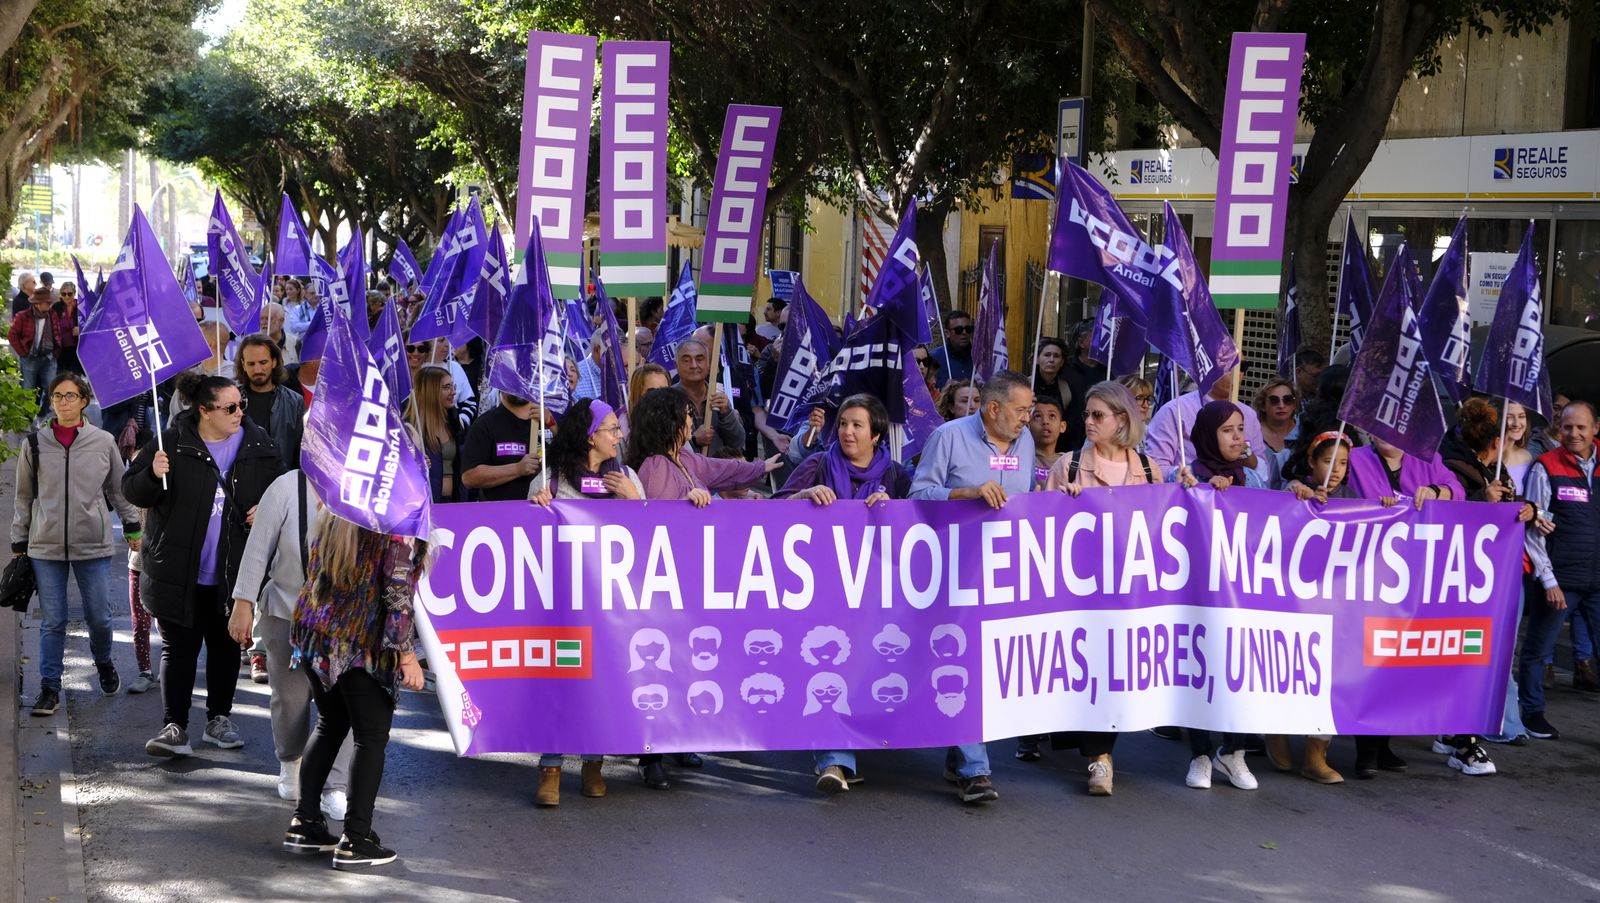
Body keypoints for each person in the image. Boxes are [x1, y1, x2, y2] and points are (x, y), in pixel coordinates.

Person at [123, 374, 285, 757]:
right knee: (178, 649)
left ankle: (218, 720)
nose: (239, 412)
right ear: (204, 411)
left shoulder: (258, 443)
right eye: (229, 407)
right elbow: (133, 490)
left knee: (225, 648)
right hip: (178, 568)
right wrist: (152, 473)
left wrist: (270, 506)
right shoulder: (171, 442)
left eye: (240, 404)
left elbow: (283, 487)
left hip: (233, 570)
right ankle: (174, 727)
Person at [627, 387, 781, 789]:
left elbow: (722, 470)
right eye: (687, 416)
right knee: (661, 667)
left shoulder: (685, 459)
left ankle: (678, 740)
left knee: (684, 665)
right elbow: (652, 523)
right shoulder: (656, 466)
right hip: (664, 586)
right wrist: (686, 504)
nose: (693, 422)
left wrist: (763, 468)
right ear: (670, 422)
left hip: (691, 581)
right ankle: (652, 756)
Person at [909, 370, 1035, 803]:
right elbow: (919, 494)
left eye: (1030, 410)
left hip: (1002, 575)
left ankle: (958, 751)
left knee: (981, 667)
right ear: (993, 408)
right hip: (953, 573)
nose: (1027, 419)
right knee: (962, 659)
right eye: (1021, 410)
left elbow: (1027, 499)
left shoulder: (1025, 441)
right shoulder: (948, 437)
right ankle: (975, 770)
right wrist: (968, 494)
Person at [771, 394, 906, 792]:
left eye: (857, 425)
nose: (846, 431)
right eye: (843, 423)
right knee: (832, 670)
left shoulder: (896, 474)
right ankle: (834, 762)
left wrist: (895, 507)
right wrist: (804, 497)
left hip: (880, 591)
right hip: (826, 589)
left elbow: (921, 519)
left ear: (876, 434)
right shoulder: (818, 464)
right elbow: (773, 508)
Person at [280, 516, 428, 869]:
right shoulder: (397, 519)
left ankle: (306, 822)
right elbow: (397, 593)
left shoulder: (335, 510)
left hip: (317, 633)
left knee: (330, 723)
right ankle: (357, 839)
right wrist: (407, 655)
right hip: (362, 642)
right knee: (370, 737)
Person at [527, 399, 644, 805]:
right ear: (590, 435)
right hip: (562, 604)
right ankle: (551, 766)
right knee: (558, 681)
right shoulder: (553, 478)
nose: (620, 435)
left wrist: (633, 500)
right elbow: (527, 541)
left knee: (601, 684)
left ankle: (593, 761)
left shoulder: (626, 477)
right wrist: (536, 507)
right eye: (612, 428)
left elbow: (653, 537)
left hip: (610, 604)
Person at [12, 374, 142, 715]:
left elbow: (117, 488)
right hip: (45, 545)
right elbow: (24, 496)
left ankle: (103, 661)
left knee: (99, 617)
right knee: (53, 621)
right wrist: (19, 538)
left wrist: (132, 525)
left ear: (84, 401)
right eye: (57, 396)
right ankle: (49, 689)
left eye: (70, 396)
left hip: (92, 543)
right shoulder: (35, 444)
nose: (63, 402)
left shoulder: (102, 442)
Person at [228, 469, 353, 820]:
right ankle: (290, 761)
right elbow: (257, 549)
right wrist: (243, 603)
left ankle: (336, 785)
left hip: (344, 619)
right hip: (287, 611)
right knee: (291, 697)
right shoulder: (284, 487)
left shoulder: (364, 484)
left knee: (343, 701)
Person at [1342, 433, 1464, 777]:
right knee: (1367, 663)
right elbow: (1327, 483)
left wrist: (1437, 492)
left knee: (1395, 662)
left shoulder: (1426, 458)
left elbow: (1457, 489)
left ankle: (1383, 745)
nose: (1380, 433)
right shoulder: (1355, 457)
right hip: (1365, 576)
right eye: (1374, 426)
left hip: (1412, 578)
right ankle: (1365, 751)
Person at [1172, 400, 1263, 790]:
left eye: (1241, 428)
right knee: (1201, 669)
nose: (1237, 437)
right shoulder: (1190, 476)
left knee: (1243, 671)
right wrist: (1203, 491)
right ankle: (1202, 754)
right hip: (1201, 592)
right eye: (1227, 430)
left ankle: (1234, 752)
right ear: (1208, 435)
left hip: (1245, 593)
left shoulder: (1253, 477)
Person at [1268, 427, 1354, 784]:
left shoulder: (1356, 499)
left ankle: (1317, 754)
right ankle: (1275, 732)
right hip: (1293, 603)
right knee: (1287, 670)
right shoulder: (1293, 492)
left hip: (1335, 606)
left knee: (1330, 678)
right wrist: (1294, 498)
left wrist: (1386, 508)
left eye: (1343, 463)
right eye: (1328, 461)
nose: (1335, 470)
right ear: (1311, 461)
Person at [1520, 401, 1600, 742]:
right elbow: (1535, 531)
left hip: (1597, 579)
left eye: (1581, 427)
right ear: (1559, 428)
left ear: (1595, 427)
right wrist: (1548, 579)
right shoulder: (1545, 467)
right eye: (1568, 427)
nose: (1574, 434)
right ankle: (1532, 713)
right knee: (1539, 649)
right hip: (1560, 579)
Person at [1145, 368, 1266, 481]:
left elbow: (1264, 474)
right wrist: (1195, 478)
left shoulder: (1249, 415)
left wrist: (1247, 454)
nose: (1237, 372)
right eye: (1229, 366)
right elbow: (1155, 468)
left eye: (1242, 367)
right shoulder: (1175, 410)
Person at [237, 335, 306, 472]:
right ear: (243, 365)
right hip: (240, 481)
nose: (257, 370)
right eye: (251, 364)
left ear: (274, 362)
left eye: (263, 362)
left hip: (281, 481)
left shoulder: (294, 402)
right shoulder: (232, 400)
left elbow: (302, 451)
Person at [460, 393, 545, 502]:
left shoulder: (547, 421)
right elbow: (469, 477)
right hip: (499, 514)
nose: (518, 386)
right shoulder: (485, 424)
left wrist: (553, 425)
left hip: (542, 514)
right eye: (512, 379)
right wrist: (518, 469)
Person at [405, 365, 471, 504]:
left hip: (455, 504)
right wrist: (414, 462)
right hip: (423, 507)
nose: (453, 392)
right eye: (446, 387)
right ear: (430, 391)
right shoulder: (409, 429)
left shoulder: (456, 424)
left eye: (453, 386)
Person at [673, 338, 743, 454]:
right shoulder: (667, 399)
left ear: (709, 364)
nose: (694, 365)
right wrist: (693, 440)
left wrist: (726, 414)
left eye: (699, 359)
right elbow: (661, 446)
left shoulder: (718, 397)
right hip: (683, 470)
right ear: (676, 365)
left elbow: (737, 442)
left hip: (718, 470)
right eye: (686, 360)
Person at [10, 286, 74, 408]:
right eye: (47, 302)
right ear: (38, 304)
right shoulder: (23, 316)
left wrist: (56, 352)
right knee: (27, 389)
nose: (50, 304)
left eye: (51, 302)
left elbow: (57, 332)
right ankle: (26, 420)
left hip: (49, 357)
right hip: (29, 358)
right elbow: (12, 335)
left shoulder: (52, 314)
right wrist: (23, 353)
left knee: (52, 388)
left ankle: (44, 414)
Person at [1253, 377, 1299, 455]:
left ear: (1294, 404)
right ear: (1263, 405)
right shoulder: (1253, 434)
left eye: (1287, 399)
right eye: (1274, 400)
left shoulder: (1304, 432)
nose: (1281, 406)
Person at [927, 310, 974, 387]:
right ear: (947, 333)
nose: (964, 333)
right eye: (958, 330)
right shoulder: (933, 358)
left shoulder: (979, 359)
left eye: (968, 329)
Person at [1030, 337, 1074, 418]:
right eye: (1047, 355)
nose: (1051, 360)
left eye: (1056, 356)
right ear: (1037, 359)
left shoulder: (1067, 389)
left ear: (1062, 362)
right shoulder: (1026, 385)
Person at [1029, 396, 1066, 486]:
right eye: (1037, 416)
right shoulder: (1021, 458)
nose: (1045, 421)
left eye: (1052, 416)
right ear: (1027, 424)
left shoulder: (1069, 462)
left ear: (1062, 426)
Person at [53, 281, 83, 375]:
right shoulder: (56, 307)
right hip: (61, 348)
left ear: (74, 294)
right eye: (64, 294)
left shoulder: (81, 307)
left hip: (76, 347)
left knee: (75, 375)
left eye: (69, 294)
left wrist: (81, 329)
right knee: (61, 375)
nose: (66, 297)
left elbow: (90, 323)